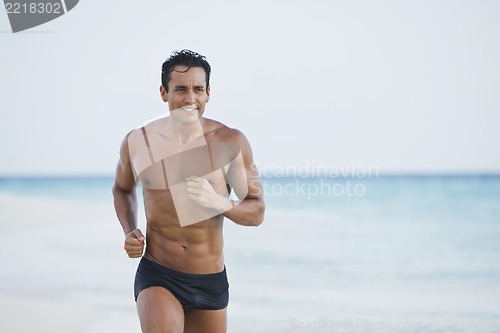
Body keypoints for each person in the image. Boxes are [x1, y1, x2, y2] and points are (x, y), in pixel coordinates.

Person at [112, 49, 265, 333]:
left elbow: (256, 211)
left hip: (209, 280)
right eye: (180, 89)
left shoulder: (231, 142)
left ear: (208, 93)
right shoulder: (138, 142)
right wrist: (129, 229)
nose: (190, 99)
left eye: (197, 89)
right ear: (163, 92)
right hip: (158, 273)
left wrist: (220, 202)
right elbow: (122, 189)